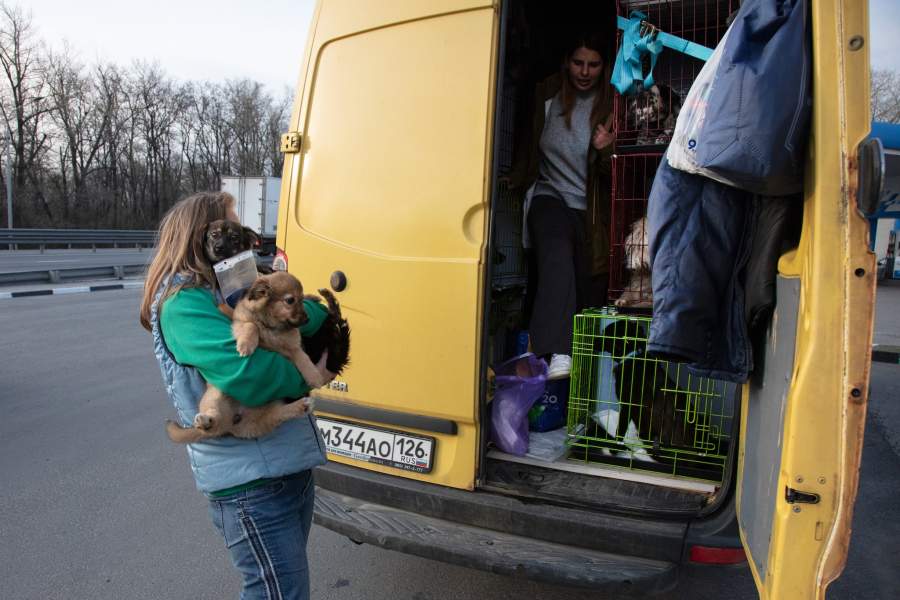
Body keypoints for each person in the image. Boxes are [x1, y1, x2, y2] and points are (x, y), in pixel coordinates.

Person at [139, 191, 331, 600]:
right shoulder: (184, 305)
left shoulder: (236, 285)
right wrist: (312, 375)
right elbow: (248, 377)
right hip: (251, 485)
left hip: (286, 468)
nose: (243, 238)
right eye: (231, 226)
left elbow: (309, 314)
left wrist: (299, 310)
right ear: (202, 237)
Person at [511, 33, 615, 379]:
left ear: (604, 67)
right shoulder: (547, 93)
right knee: (556, 251)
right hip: (549, 193)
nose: (584, 72)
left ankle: (572, 370)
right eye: (578, 63)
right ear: (566, 63)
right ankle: (557, 351)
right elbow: (528, 141)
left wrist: (605, 148)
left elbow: (618, 173)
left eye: (593, 65)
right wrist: (514, 176)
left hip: (589, 209)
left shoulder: (612, 103)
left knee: (584, 281)